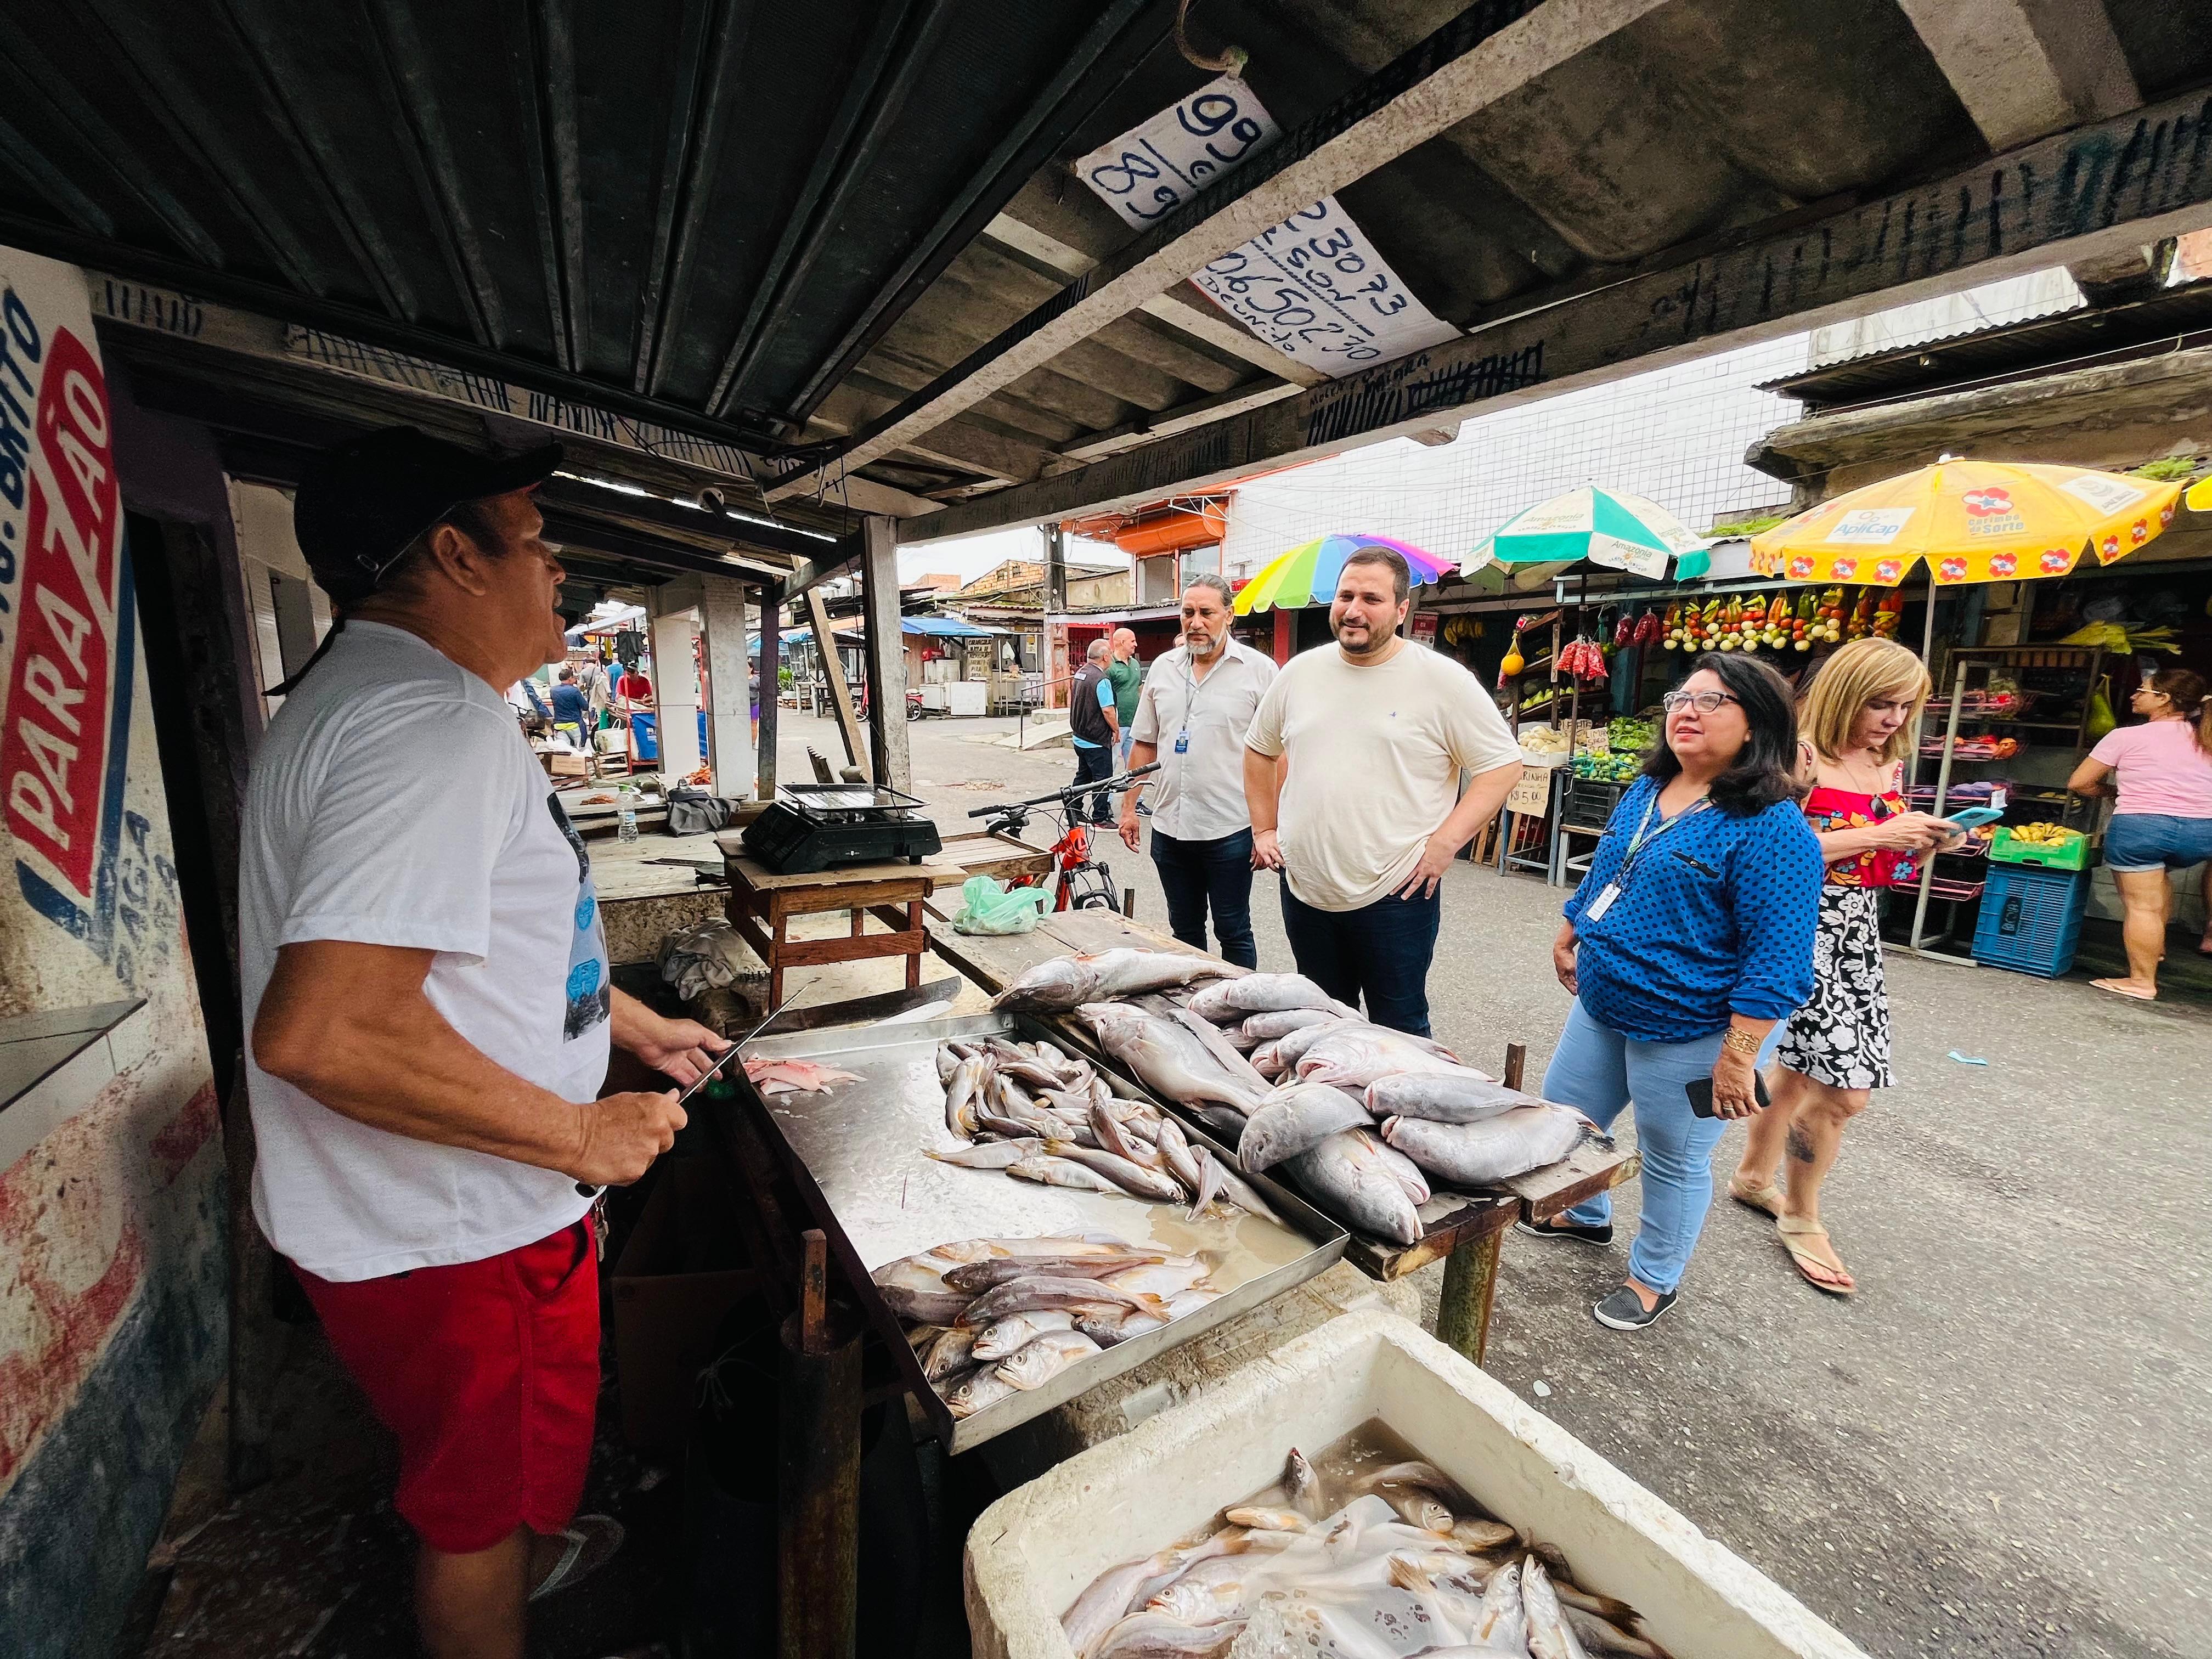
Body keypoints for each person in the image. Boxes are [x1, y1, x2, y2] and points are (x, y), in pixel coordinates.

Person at [241, 427, 724, 1659]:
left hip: (415, 1218)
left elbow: (459, 947)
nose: (557, 566)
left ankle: (532, 1550)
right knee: (466, 1519)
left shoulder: (381, 699)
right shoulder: (428, 730)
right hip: (458, 1229)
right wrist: (580, 1129)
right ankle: (497, 1584)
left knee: (485, 1479)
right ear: (457, 555)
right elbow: (323, 1029)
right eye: (536, 539)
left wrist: (622, 1020)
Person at [1526, 656, 1825, 1331]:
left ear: (1756, 725)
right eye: (1681, 698)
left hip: (1696, 1029)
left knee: (1672, 1154)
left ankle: (1654, 1279)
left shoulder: (1773, 830)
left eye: (1713, 701)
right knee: (1570, 1116)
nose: (1687, 711)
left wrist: (1738, 1058)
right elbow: (1613, 865)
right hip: (1605, 1000)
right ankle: (1586, 1211)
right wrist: (1571, 926)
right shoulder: (1649, 787)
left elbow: (1776, 964)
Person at [1733, 637, 1957, 1296]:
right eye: (1879, 704)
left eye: (1904, 706)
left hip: (1856, 928)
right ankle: (1802, 1217)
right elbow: (1767, 846)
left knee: (1798, 1074)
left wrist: (1927, 839)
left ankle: (1752, 1177)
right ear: (1843, 696)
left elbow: (1880, 860)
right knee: (1844, 1093)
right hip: (1796, 926)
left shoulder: (1884, 765)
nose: (1892, 719)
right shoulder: (1798, 756)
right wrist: (1879, 835)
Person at [1243, 546, 1521, 1035]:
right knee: (1322, 1024)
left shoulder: (1443, 681)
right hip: (1307, 888)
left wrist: (1444, 844)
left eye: (1371, 598)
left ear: (1400, 610)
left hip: (1396, 892)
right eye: (1345, 595)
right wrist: (1263, 828)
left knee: (1400, 1028)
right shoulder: (1300, 673)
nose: (1353, 610)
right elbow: (1258, 749)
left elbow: (1502, 766)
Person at [1118, 575, 1276, 968]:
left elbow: (1280, 754)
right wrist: (1128, 807)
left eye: (1207, 612)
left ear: (1229, 614)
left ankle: (1239, 1013)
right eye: (1188, 613)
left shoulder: (1260, 671)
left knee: (1233, 929)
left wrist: (1269, 827)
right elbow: (1144, 742)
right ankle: (1195, 1010)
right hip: (1170, 826)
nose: (1196, 622)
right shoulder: (1163, 668)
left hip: (1231, 828)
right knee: (1184, 931)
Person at [2068, 667, 2212, 1000]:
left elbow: (2079, 783)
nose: (2135, 695)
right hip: (2203, 832)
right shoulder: (2206, 736)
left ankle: (2142, 981)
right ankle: (2153, 949)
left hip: (2143, 829)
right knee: (2160, 882)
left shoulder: (2126, 736)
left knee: (2142, 907)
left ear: (2163, 699)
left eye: (2143, 690)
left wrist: (2110, 793)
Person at [1069, 636, 1121, 826]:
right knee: (1102, 779)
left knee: (1084, 775)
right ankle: (1100, 817)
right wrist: (1115, 730)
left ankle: (1074, 811)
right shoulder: (1101, 679)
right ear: (1106, 657)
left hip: (1080, 736)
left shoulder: (1081, 673)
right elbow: (1107, 710)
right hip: (1096, 738)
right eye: (1111, 655)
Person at [1107, 626, 1143, 769]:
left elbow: (1139, 688)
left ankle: (1132, 791)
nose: (1136, 644)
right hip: (1117, 724)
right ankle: (1108, 792)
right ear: (1122, 642)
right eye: (1132, 641)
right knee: (1112, 762)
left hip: (1134, 722)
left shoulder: (1135, 663)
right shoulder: (1110, 665)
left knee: (1134, 764)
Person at [549, 664, 590, 751]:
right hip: (575, 725)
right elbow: (585, 706)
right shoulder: (574, 691)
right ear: (570, 678)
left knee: (563, 751)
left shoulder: (553, 691)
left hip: (559, 725)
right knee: (579, 750)